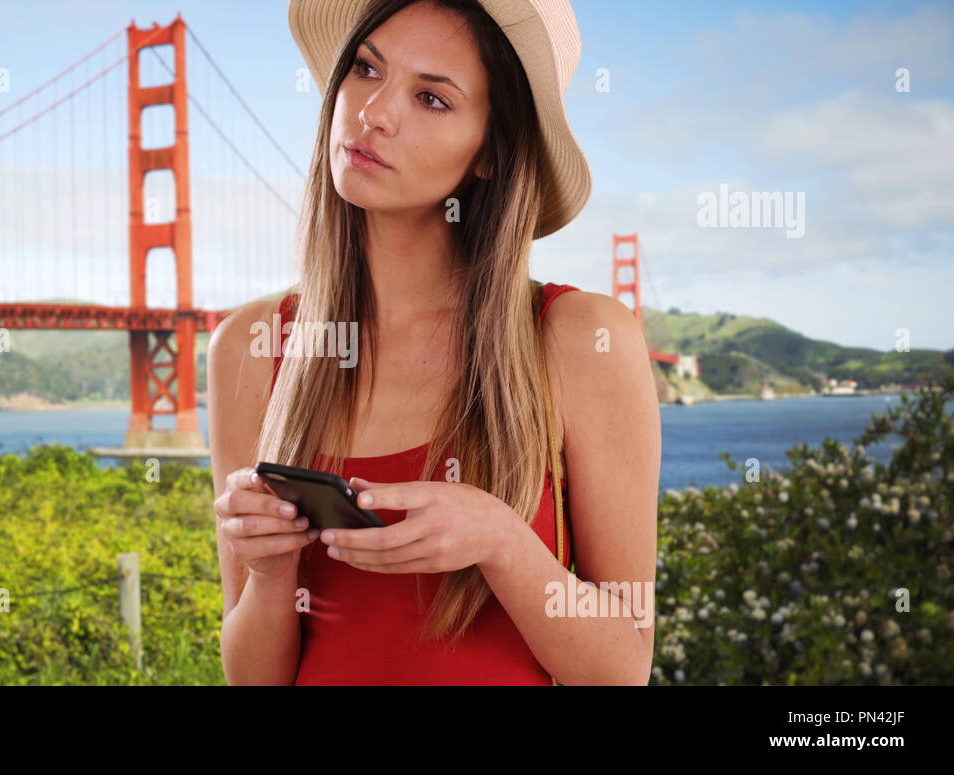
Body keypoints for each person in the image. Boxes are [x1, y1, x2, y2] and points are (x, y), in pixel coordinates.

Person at [209, 0, 660, 685]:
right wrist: (269, 575)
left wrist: (501, 541)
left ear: (489, 154)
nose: (374, 113)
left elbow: (623, 667)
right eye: (366, 68)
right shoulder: (249, 347)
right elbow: (252, 679)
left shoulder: (581, 340)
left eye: (431, 97)